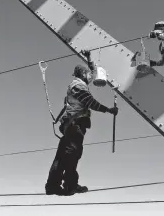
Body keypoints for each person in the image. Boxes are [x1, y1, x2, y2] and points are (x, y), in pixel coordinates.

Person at [45, 50, 118, 196]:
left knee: (62, 156)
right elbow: (89, 102)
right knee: (73, 154)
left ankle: (53, 186)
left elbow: (93, 72)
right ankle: (70, 185)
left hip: (71, 126)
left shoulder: (78, 83)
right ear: (83, 75)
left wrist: (89, 59)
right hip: (75, 126)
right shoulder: (78, 86)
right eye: (88, 75)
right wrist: (108, 110)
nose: (91, 76)